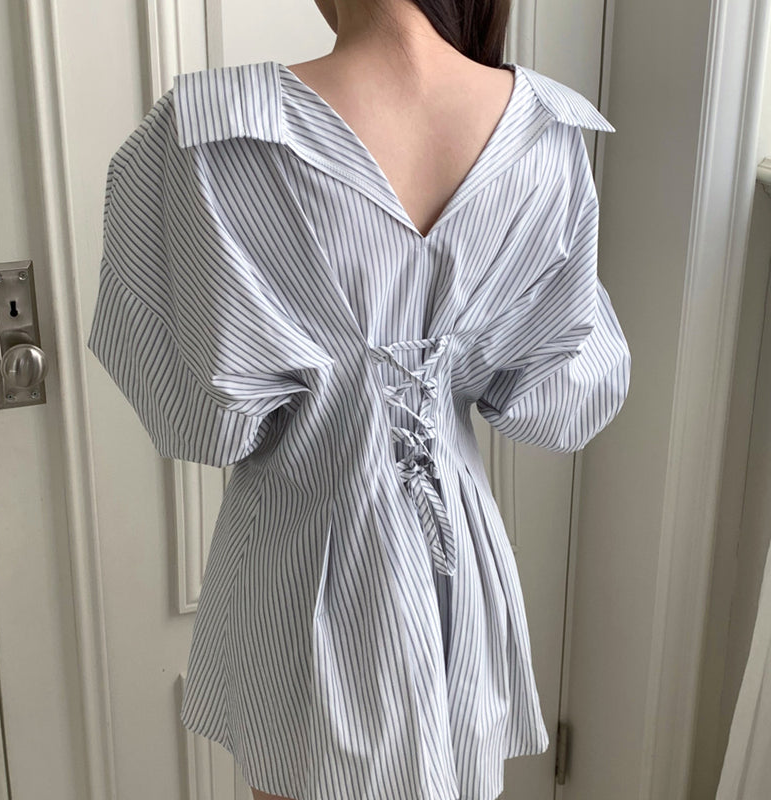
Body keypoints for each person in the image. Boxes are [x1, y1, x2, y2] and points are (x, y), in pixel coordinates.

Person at [87, 0, 630, 798]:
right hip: (456, 571)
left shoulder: (208, 132)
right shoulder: (546, 135)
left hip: (298, 563)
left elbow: (204, 420)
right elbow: (558, 397)